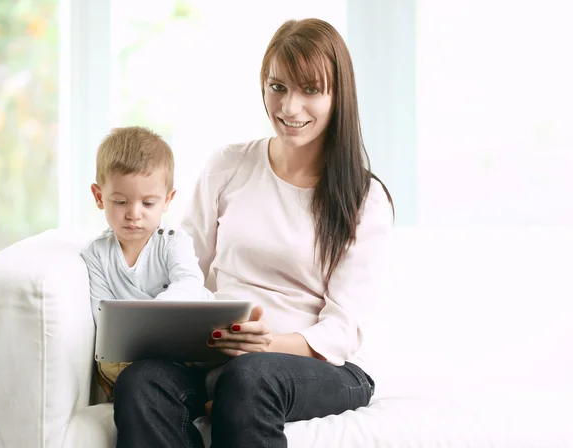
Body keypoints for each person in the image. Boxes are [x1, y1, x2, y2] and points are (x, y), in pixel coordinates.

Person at [112, 18, 394, 448]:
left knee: (248, 377)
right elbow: (190, 270)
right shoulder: (229, 166)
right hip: (222, 356)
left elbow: (343, 329)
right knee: (141, 383)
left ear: (338, 96)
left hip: (330, 368)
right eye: (278, 87)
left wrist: (267, 345)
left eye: (310, 90)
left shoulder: (364, 197)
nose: (290, 107)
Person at [80, 126, 213, 396]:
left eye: (148, 203)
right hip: (141, 349)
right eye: (120, 202)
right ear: (99, 197)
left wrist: (151, 317)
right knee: (109, 364)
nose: (134, 214)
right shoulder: (97, 254)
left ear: (167, 200)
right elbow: (102, 313)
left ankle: (211, 391)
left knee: (224, 354)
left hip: (188, 337)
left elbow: (189, 282)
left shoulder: (174, 242)